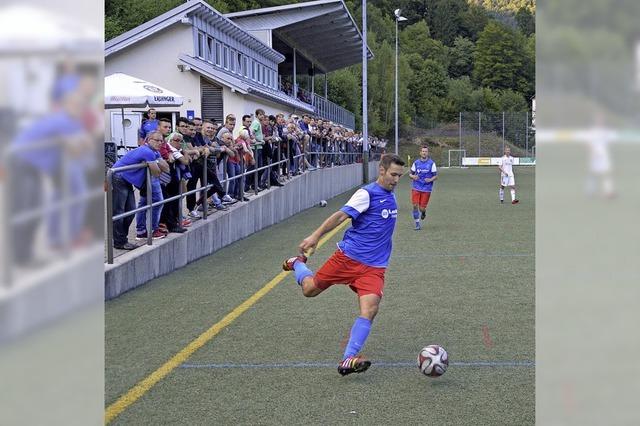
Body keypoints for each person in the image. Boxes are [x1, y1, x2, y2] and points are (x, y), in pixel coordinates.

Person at [282, 154, 405, 376]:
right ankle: (298, 264)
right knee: (309, 290)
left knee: (370, 309)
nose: (396, 180)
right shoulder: (367, 194)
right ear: (382, 171)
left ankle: (348, 358)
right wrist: (315, 236)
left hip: (374, 267)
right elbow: (340, 216)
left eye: (399, 176)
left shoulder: (390, 196)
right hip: (347, 259)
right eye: (393, 175)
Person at [409, 145, 438, 230]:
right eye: (423, 151)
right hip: (416, 187)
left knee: (421, 208)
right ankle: (417, 224)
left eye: (425, 151)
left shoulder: (431, 163)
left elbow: (435, 176)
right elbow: (410, 174)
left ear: (427, 153)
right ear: (420, 152)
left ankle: (423, 213)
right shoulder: (416, 163)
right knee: (415, 205)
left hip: (426, 189)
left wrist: (430, 179)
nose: (424, 153)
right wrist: (413, 176)